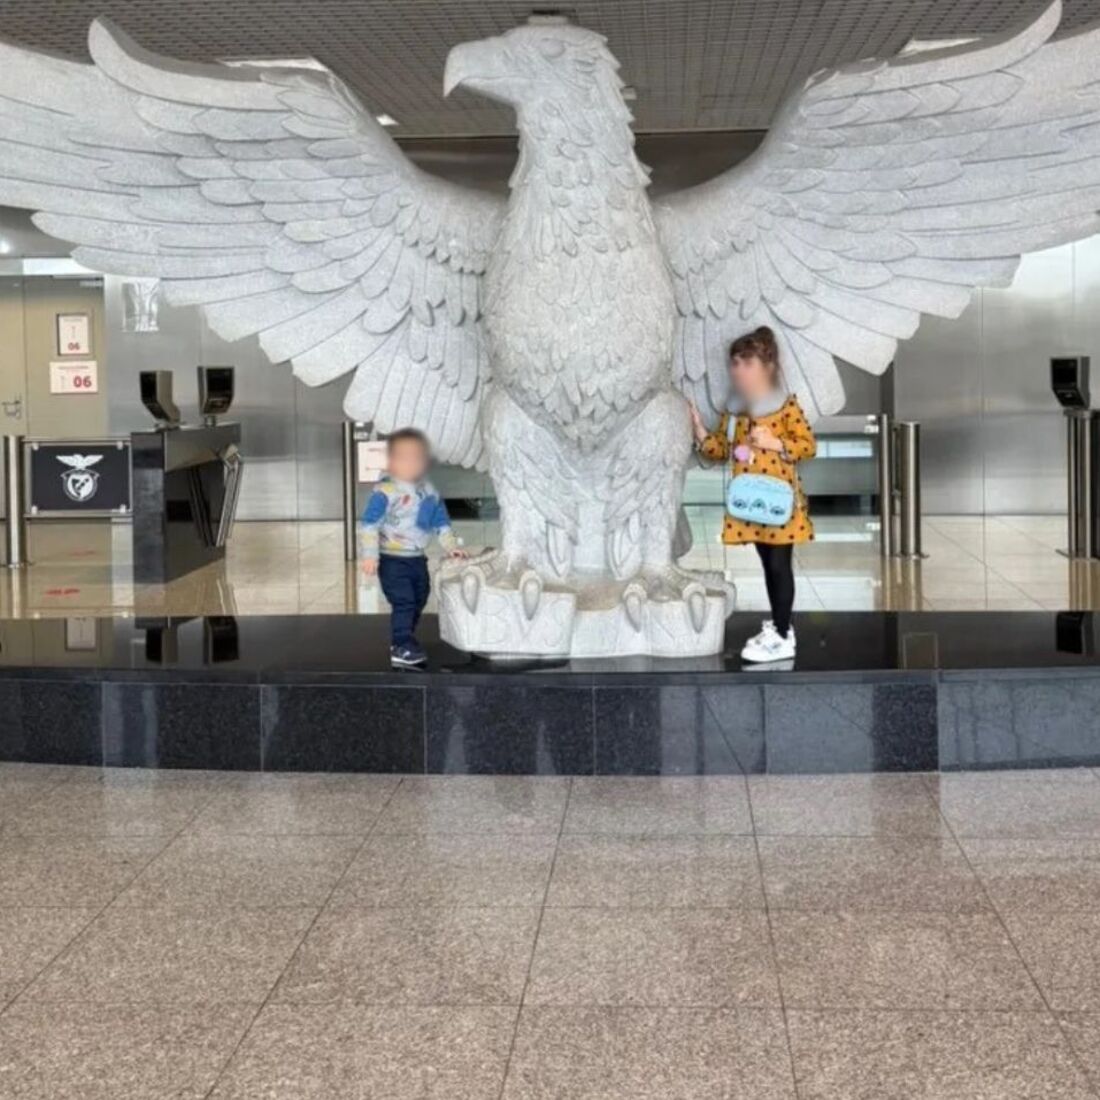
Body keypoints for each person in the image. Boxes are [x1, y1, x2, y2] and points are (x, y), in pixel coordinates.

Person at [689, 326, 816, 663]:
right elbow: (722, 448)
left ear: (766, 366)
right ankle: (778, 625)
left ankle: (784, 634)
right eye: (735, 363)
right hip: (754, 507)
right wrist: (701, 432)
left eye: (746, 363)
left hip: (779, 506)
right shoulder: (736, 413)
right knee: (768, 565)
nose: (738, 370)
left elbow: (807, 445)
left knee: (779, 566)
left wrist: (775, 443)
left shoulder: (787, 408)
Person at [359, 428, 466, 667]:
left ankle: (405, 634)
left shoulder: (429, 490)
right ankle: (401, 644)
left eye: (417, 457)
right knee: (404, 600)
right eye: (403, 457)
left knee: (420, 597)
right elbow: (369, 524)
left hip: (417, 558)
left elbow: (440, 522)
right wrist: (370, 555)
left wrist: (450, 547)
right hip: (392, 559)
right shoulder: (385, 491)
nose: (411, 463)